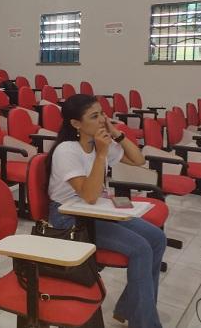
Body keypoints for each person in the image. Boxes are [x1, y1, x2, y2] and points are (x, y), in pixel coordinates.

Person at [47, 94, 165, 328]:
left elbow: (139, 159)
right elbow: (89, 195)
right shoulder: (67, 151)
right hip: (69, 216)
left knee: (157, 238)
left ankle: (128, 309)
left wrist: (117, 134)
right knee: (140, 249)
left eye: (102, 113)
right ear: (76, 124)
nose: (102, 119)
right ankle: (145, 323)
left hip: (96, 210)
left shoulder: (98, 142)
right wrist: (101, 154)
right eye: (95, 116)